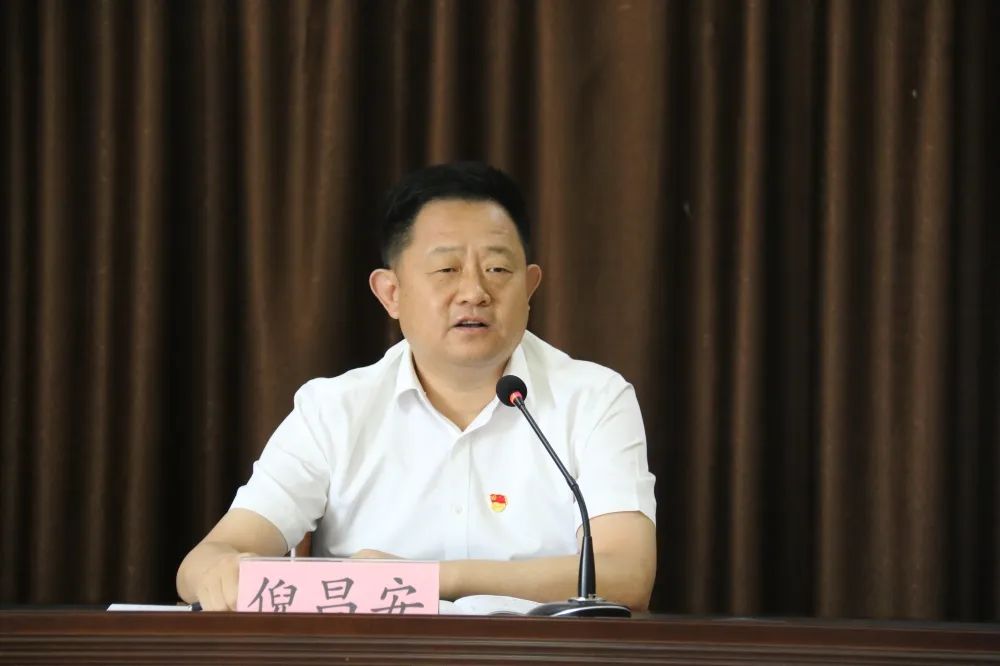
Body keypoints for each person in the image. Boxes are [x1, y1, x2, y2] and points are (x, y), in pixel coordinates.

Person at [176, 162, 657, 611]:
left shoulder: (594, 399)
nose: (474, 292)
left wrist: (426, 579)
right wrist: (222, 573)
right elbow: (206, 561)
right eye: (447, 270)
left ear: (530, 287)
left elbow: (625, 573)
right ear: (391, 292)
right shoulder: (334, 409)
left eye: (497, 269)